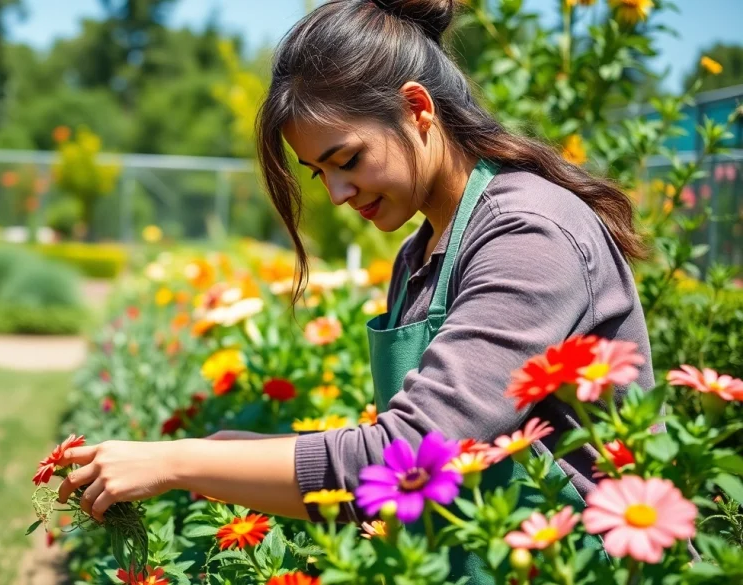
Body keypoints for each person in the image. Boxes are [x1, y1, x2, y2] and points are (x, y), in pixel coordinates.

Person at [55, 0, 654, 572]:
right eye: (320, 173)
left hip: (579, 566)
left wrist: (180, 461)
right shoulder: (421, 255)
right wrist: (230, 453)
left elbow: (411, 459)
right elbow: (403, 483)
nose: (337, 195)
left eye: (347, 159)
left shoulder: (528, 235)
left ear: (419, 110)